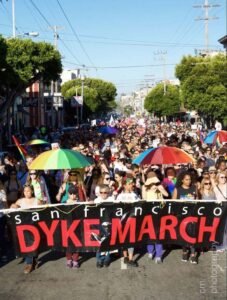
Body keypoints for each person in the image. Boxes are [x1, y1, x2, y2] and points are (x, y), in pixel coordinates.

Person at [11, 185, 41, 274]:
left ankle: (34, 260)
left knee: (35, 244)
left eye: (28, 191)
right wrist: (14, 205)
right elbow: (13, 206)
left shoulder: (37, 201)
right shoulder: (21, 201)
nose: (26, 192)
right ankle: (29, 263)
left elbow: (44, 210)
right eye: (25, 191)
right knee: (28, 244)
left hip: (36, 226)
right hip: (25, 227)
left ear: (32, 191)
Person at [172, 171, 198, 264]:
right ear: (182, 180)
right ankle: (184, 251)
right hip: (181, 216)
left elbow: (197, 200)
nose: (189, 181)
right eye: (186, 179)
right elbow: (173, 203)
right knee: (183, 234)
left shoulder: (194, 188)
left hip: (192, 216)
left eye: (190, 179)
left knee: (193, 234)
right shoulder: (177, 189)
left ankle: (193, 254)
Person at [142, 176, 168, 263]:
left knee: (158, 235)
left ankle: (158, 255)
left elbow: (165, 199)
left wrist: (161, 190)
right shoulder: (146, 190)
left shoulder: (159, 191)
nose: (155, 185)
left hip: (158, 217)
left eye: (157, 183)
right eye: (154, 184)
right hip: (149, 216)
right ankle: (150, 251)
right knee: (150, 234)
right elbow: (144, 200)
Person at [116, 177, 140, 267]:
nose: (132, 185)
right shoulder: (120, 196)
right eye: (130, 184)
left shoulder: (134, 195)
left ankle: (130, 258)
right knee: (124, 239)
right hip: (123, 221)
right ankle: (125, 256)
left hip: (132, 220)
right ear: (124, 185)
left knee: (131, 239)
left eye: (132, 183)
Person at [94, 185, 112, 268]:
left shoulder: (112, 200)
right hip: (99, 225)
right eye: (101, 192)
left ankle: (106, 259)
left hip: (109, 225)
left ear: (108, 193)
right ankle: (99, 260)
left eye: (105, 192)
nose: (103, 194)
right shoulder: (96, 200)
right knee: (99, 244)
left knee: (107, 243)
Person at [65, 185, 80, 268]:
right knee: (68, 244)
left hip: (77, 226)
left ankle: (75, 260)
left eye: (74, 193)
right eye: (71, 193)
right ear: (68, 194)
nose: (73, 195)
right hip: (67, 226)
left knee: (77, 243)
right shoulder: (64, 203)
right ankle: (69, 259)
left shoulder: (80, 202)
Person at [0, 180, 7, 261]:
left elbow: (5, 205)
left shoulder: (1, 192)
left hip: (1, 217)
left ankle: (4, 253)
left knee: (1, 236)